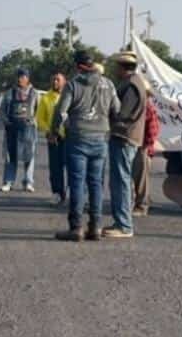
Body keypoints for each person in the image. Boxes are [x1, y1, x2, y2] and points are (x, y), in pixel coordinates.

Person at [50, 50, 120, 242]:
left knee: (77, 183)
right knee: (96, 183)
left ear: (77, 66)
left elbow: (61, 111)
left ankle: (76, 228)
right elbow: (117, 109)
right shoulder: (108, 84)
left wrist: (56, 130)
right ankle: (95, 227)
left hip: (78, 138)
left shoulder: (73, 84)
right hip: (101, 138)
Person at [104, 49, 147, 239]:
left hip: (124, 138)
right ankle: (120, 222)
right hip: (127, 137)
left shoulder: (131, 86)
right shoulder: (135, 82)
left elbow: (123, 114)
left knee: (121, 181)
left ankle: (124, 225)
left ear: (123, 67)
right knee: (121, 180)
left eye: (117, 66)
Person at [0, 68, 39, 192]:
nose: (20, 79)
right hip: (12, 128)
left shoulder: (34, 93)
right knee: (11, 156)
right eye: (18, 76)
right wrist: (6, 121)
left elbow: (39, 110)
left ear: (28, 78)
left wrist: (33, 121)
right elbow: (2, 110)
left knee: (29, 156)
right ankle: (8, 182)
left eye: (23, 77)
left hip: (28, 129)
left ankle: (28, 182)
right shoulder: (9, 93)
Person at [36, 71, 67, 206]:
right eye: (53, 79)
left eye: (58, 80)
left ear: (64, 82)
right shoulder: (46, 98)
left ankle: (76, 196)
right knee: (55, 168)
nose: (55, 82)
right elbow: (39, 119)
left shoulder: (70, 95)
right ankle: (57, 193)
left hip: (70, 138)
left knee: (74, 169)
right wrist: (48, 132)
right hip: (54, 138)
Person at [132, 94, 160, 217]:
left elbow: (152, 129)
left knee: (141, 180)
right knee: (138, 178)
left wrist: (146, 146)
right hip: (139, 145)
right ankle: (139, 203)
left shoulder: (146, 106)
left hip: (142, 146)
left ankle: (141, 206)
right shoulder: (144, 105)